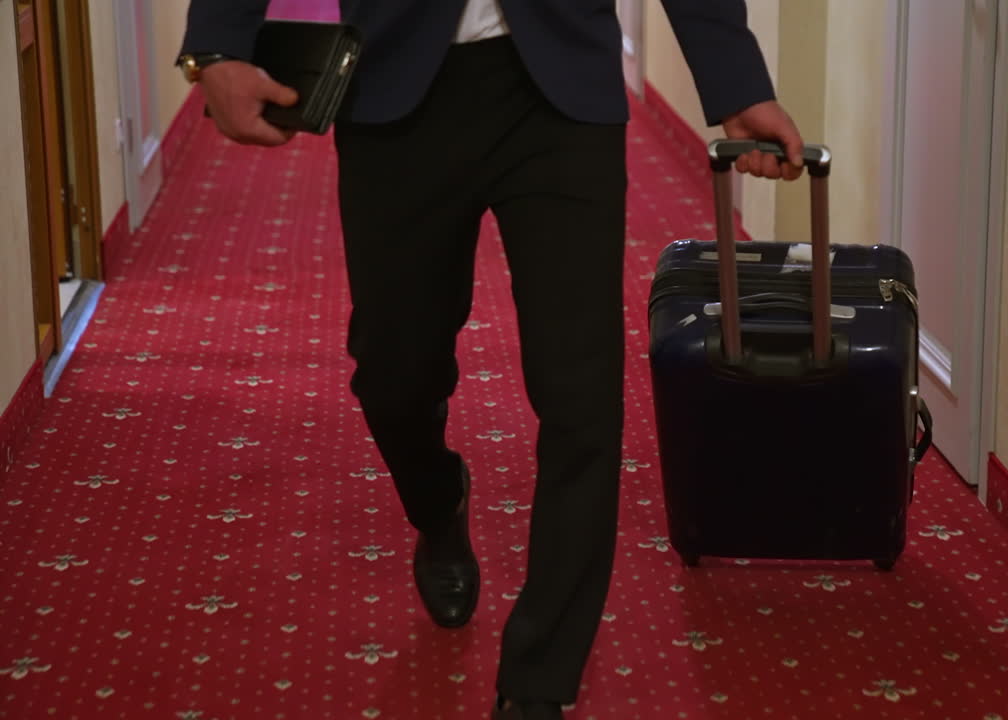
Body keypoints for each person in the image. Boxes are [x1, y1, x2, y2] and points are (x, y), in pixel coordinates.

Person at [178, 1, 804, 718]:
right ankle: (439, 501)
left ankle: (539, 685)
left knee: (582, 390)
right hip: (396, 87)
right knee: (393, 374)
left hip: (561, 91)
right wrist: (217, 45)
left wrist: (736, 81)